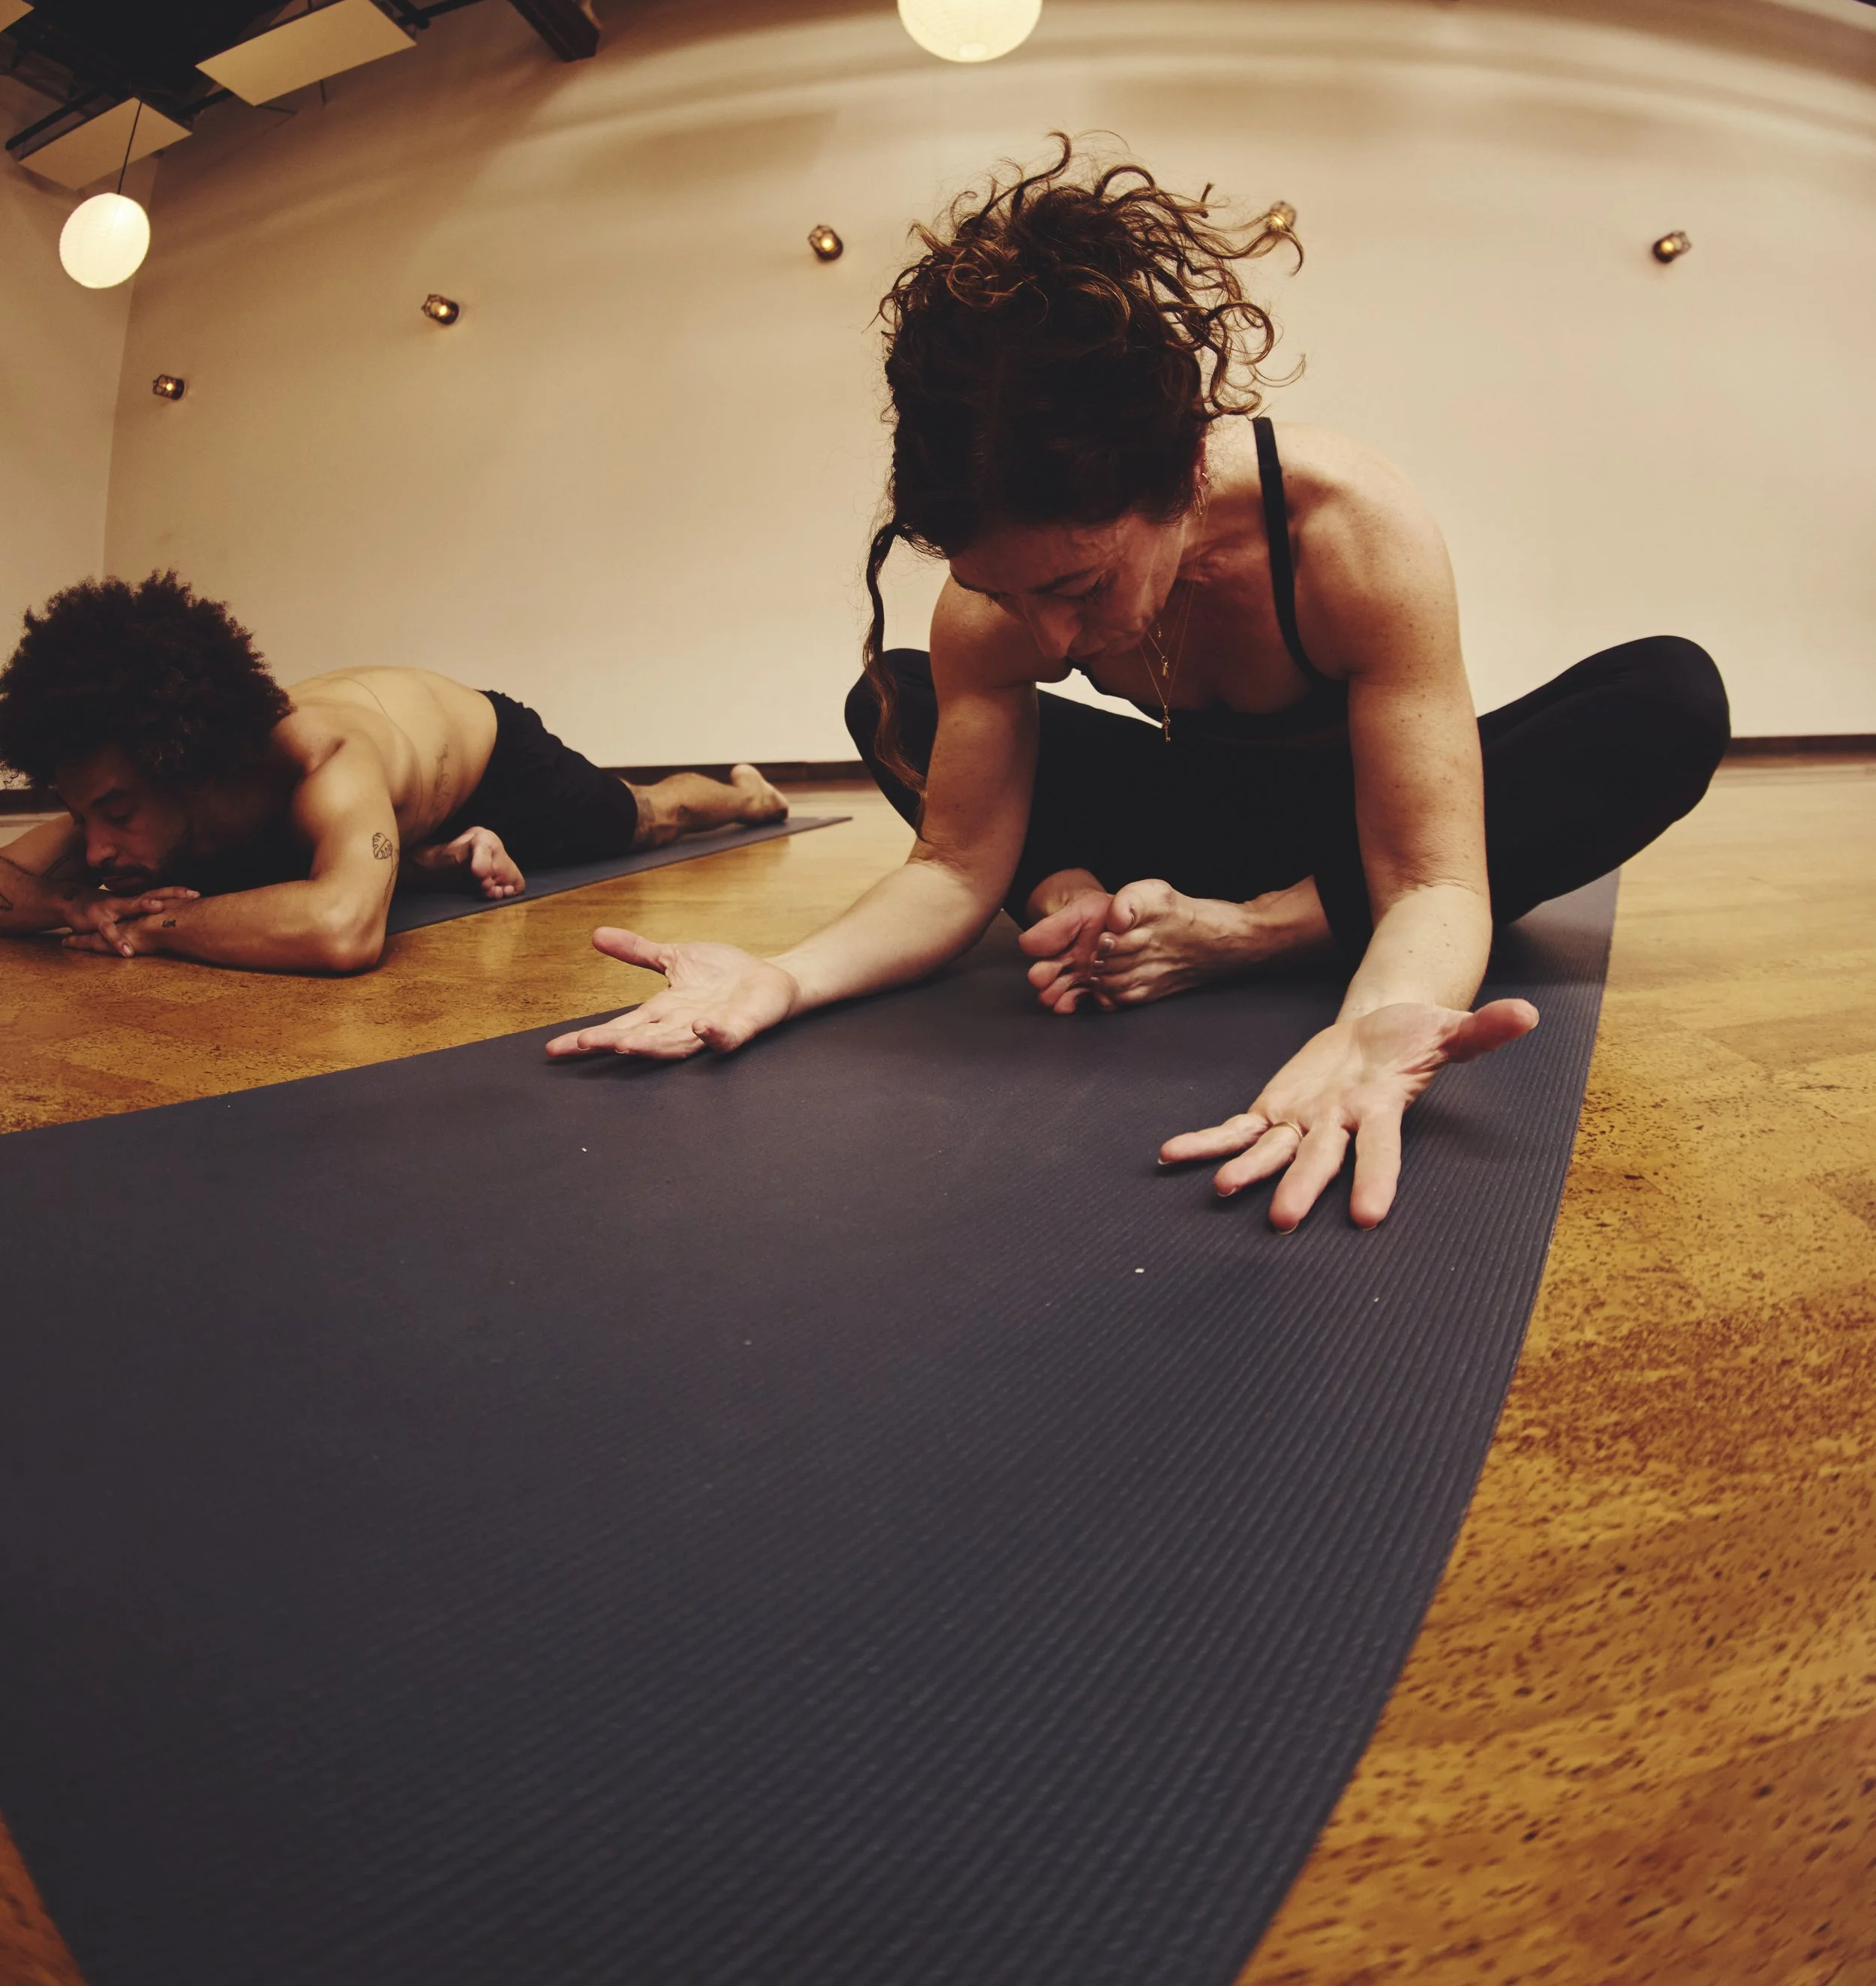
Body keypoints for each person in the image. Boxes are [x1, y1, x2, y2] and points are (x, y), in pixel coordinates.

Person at [549, 140, 1728, 1230]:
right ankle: (1110, 907)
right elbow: (956, 866)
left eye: (1076, 584)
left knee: (1669, 697)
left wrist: (1369, 1025)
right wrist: (783, 976)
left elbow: (1429, 873)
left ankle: (1249, 934)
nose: (1051, 639)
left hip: (1349, 842)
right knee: (897, 698)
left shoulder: (1348, 530)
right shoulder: (1000, 610)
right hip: (1184, 821)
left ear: (1179, 473)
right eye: (1004, 593)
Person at [0, 574, 789, 975]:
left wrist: (144, 927)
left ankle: (746, 794)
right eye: (83, 816)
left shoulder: (324, 762)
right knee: (272, 868)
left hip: (486, 755)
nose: (97, 847)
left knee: (649, 816)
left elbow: (342, 930)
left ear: (187, 768)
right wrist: (69, 907)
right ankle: (437, 856)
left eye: (116, 812)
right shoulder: (135, 788)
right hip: (383, 802)